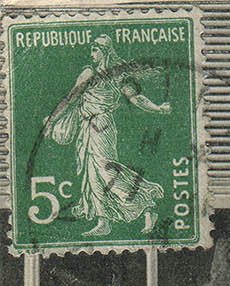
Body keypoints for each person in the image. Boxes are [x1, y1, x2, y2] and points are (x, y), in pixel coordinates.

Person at [43, 34, 169, 236]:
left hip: (102, 125)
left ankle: (146, 202)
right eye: (91, 49)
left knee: (106, 170)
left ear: (106, 52)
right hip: (87, 125)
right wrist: (51, 120)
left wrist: (157, 108)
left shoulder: (117, 75)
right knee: (92, 175)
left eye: (96, 49)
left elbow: (135, 98)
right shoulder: (87, 73)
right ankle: (104, 222)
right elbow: (70, 98)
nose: (92, 53)